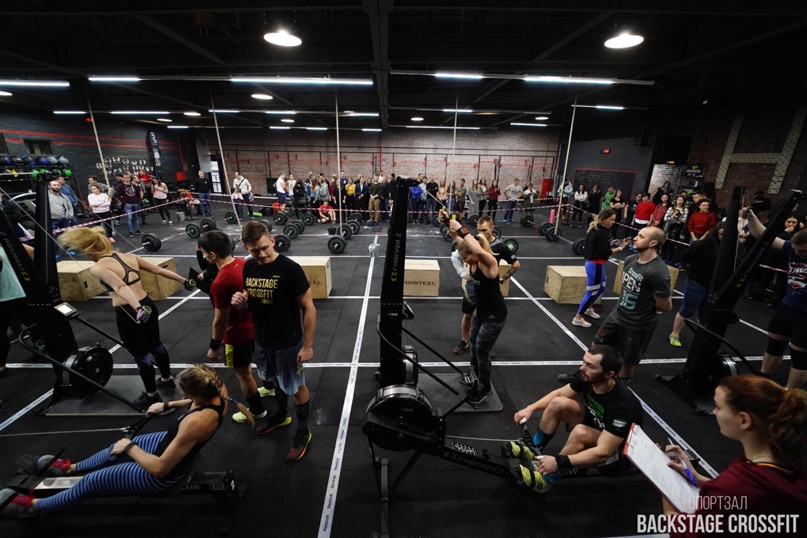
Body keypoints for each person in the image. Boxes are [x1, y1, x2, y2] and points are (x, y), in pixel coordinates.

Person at [2, 364, 228, 516]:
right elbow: (194, 403)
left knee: (94, 481)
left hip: (164, 477)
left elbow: (159, 469)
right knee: (114, 448)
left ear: (195, 394)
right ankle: (70, 469)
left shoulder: (195, 423)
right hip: (173, 445)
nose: (181, 396)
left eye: (183, 393)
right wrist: (168, 405)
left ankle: (32, 507)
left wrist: (130, 447)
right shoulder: (218, 391)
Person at [57, 227, 193, 410]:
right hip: (147, 304)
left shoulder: (99, 267)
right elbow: (158, 270)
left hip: (130, 312)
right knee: (156, 344)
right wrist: (184, 280)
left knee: (141, 355)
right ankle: (167, 379)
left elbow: (120, 287)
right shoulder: (129, 257)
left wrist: (137, 308)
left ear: (89, 250)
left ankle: (152, 396)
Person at [662, 376, 807, 538]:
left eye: (718, 407)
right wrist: (695, 477)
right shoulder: (790, 457)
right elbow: (751, 499)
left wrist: (667, 482)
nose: (714, 412)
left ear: (744, 420)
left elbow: (687, 532)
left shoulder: (737, 484)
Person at [232, 221, 317, 462]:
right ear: (246, 248)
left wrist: (307, 345)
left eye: (263, 247)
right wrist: (242, 304)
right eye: (253, 250)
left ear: (272, 240)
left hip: (288, 343)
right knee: (273, 380)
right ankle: (281, 415)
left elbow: (309, 308)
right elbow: (252, 306)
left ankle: (303, 431)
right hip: (262, 340)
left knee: (296, 387)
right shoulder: (249, 268)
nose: (261, 254)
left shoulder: (290, 269)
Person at [508, 345, 643, 494]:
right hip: (600, 427)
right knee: (558, 403)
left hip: (617, 451)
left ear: (609, 374)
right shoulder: (588, 377)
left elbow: (604, 452)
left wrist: (559, 462)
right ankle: (533, 449)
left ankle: (544, 480)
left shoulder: (624, 406)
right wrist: (530, 408)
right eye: (584, 362)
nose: (582, 368)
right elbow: (560, 393)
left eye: (590, 366)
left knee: (580, 432)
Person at [561, 226, 672, 383]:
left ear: (653, 243)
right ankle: (582, 377)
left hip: (638, 324)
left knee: (628, 361)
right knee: (596, 347)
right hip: (617, 315)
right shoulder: (630, 260)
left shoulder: (657, 272)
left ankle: (620, 389)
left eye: (641, 236)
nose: (635, 238)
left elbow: (665, 306)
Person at [199, 230, 269, 425]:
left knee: (244, 374)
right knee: (265, 362)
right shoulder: (246, 263)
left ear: (212, 255)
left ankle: (257, 411)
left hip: (237, 334)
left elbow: (220, 319)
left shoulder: (220, 283)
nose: (204, 257)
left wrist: (214, 346)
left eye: (205, 254)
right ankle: (269, 387)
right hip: (258, 327)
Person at [444, 211, 507, 405]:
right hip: (483, 312)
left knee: (481, 349)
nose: (465, 261)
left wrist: (462, 228)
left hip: (495, 315)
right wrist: (448, 221)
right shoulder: (471, 260)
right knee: (472, 339)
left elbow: (478, 251)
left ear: (474, 253)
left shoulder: (489, 263)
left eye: (466, 258)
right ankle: (475, 375)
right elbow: (457, 239)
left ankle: (484, 388)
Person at [746, 210, 807, 389]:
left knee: (800, 357)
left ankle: (790, 395)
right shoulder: (793, 249)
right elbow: (763, 235)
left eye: (802, 251)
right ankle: (763, 381)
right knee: (774, 345)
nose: (797, 253)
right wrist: (750, 216)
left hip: (805, 316)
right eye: (795, 249)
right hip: (787, 307)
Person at [451, 216, 519, 356]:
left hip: (487, 286)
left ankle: (486, 343)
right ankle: (464, 341)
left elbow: (516, 264)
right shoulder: (475, 242)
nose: (481, 233)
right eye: (478, 230)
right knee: (468, 315)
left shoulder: (499, 247)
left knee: (487, 321)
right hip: (473, 285)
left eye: (484, 230)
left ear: (492, 228)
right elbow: (458, 239)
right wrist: (448, 222)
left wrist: (503, 278)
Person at [668, 223, 723, 347]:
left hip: (714, 285)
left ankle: (701, 336)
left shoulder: (732, 249)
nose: (723, 237)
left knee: (706, 312)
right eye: (721, 234)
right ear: (715, 233)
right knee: (688, 309)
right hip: (696, 281)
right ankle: (674, 333)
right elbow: (686, 256)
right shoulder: (703, 245)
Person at [572, 210, 629, 328]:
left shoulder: (596, 229)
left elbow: (599, 246)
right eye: (611, 220)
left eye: (614, 220)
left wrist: (611, 243)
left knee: (601, 288)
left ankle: (588, 309)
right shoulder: (602, 232)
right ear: (603, 219)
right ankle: (578, 317)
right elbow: (606, 252)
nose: (613, 222)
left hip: (596, 265)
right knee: (591, 292)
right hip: (595, 266)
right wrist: (621, 248)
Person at [115, 172, 142, 238]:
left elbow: (138, 195)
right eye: (125, 177)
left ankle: (137, 229)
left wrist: (138, 202)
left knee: (135, 217)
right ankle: (130, 231)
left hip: (135, 203)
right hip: (127, 204)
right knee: (129, 218)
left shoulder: (134, 186)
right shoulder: (120, 186)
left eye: (128, 177)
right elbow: (118, 196)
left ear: (130, 178)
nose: (127, 179)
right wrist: (124, 203)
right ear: (123, 178)